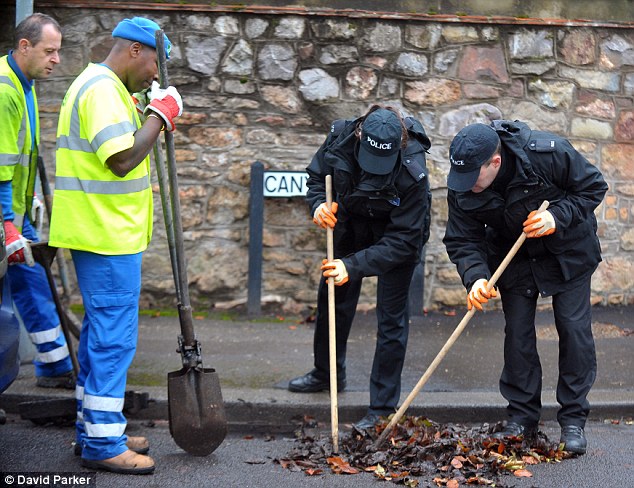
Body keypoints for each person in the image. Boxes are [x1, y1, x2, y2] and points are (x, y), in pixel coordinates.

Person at [48, 17, 182, 474]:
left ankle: (95, 429)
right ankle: (105, 443)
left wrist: (148, 111)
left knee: (98, 337)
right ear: (135, 52)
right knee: (112, 341)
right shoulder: (103, 90)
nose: (155, 77)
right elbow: (122, 159)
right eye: (152, 67)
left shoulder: (98, 85)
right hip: (105, 236)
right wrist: (160, 115)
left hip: (97, 231)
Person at [443, 121, 608, 455]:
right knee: (517, 335)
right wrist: (475, 276)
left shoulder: (547, 153)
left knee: (574, 330)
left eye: (475, 177)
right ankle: (522, 418)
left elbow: (593, 187)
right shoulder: (462, 181)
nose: (467, 185)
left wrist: (556, 217)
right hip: (514, 258)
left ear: (495, 162)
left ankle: (573, 420)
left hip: (569, 253)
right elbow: (463, 238)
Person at [288, 105, 432, 432]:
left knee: (391, 320)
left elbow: (404, 241)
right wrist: (318, 206)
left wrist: (351, 266)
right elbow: (315, 177)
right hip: (350, 223)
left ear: (399, 145)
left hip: (396, 236)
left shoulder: (413, 171)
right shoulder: (339, 138)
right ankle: (326, 374)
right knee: (331, 300)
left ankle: (381, 408)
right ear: (359, 136)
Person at [0, 13, 76, 389]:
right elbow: (0, 164)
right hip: (4, 215)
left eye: (58, 51)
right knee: (26, 286)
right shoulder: (5, 90)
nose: (56, 60)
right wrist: (7, 222)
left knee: (33, 282)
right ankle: (54, 366)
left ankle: (54, 365)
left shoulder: (22, 81)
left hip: (14, 210)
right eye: (50, 51)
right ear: (24, 46)